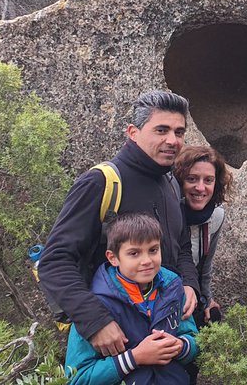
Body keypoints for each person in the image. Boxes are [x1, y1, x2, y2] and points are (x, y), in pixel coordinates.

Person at [40, 90, 200, 359]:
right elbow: (54, 260)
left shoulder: (170, 183)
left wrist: (189, 284)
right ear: (133, 132)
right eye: (161, 130)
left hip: (167, 334)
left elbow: (180, 245)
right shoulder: (101, 183)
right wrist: (95, 322)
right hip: (114, 342)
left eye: (179, 132)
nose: (172, 140)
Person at [64, 213, 199, 384]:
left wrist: (181, 346)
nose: (147, 261)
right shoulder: (95, 307)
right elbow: (77, 378)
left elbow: (194, 338)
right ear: (113, 258)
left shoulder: (173, 287)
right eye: (134, 253)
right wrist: (134, 358)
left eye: (153, 250)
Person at [174, 145, 231, 326]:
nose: (200, 188)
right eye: (192, 179)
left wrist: (207, 299)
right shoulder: (166, 212)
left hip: (191, 293)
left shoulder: (216, 216)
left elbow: (205, 267)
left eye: (208, 180)